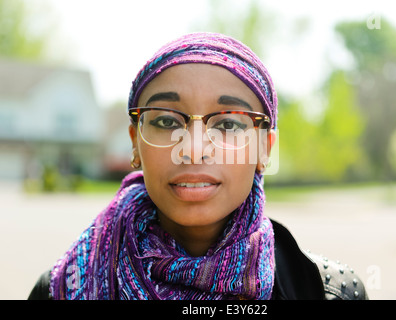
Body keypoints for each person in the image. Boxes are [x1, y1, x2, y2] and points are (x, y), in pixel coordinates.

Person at [28, 32, 367, 300]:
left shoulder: (328, 291)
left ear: (265, 148)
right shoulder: (63, 288)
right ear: (135, 142)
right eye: (165, 121)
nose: (193, 149)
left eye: (229, 124)